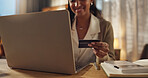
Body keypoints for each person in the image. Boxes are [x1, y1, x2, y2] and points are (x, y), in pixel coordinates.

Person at [68, 0, 115, 69]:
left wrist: (103, 56)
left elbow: (112, 62)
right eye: (72, 1)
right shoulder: (64, 26)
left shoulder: (105, 27)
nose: (77, 4)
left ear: (91, 0)